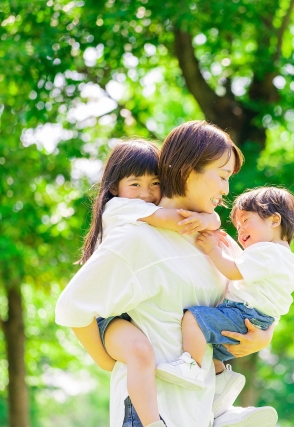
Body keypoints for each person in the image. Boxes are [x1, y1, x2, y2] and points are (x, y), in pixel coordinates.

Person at [55, 121, 278, 427]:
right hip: (150, 416)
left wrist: (264, 335)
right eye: (222, 176)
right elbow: (72, 306)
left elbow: (259, 297)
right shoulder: (138, 238)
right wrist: (108, 360)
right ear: (187, 170)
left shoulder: (216, 243)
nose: (226, 189)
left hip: (198, 415)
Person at [69, 138, 227, 427]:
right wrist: (105, 360)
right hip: (112, 317)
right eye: (135, 184)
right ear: (114, 187)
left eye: (155, 183)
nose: (146, 193)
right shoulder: (125, 214)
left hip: (192, 412)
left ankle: (222, 408)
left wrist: (210, 221)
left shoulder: (202, 240)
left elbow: (255, 286)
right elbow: (175, 218)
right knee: (140, 351)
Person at [155, 187, 294, 403]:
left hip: (241, 313)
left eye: (246, 221)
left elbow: (232, 270)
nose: (240, 232)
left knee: (193, 319)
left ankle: (190, 367)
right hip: (256, 320)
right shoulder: (286, 259)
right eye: (238, 227)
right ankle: (222, 379)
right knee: (209, 348)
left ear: (274, 220)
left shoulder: (267, 252)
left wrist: (213, 249)